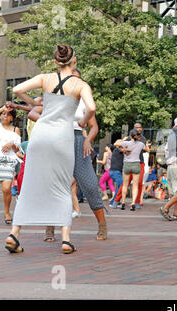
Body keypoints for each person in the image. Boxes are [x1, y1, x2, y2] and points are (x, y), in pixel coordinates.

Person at [5, 44, 96, 254]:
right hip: (62, 137)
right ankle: (65, 240)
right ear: (75, 62)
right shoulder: (80, 84)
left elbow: (17, 90)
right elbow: (91, 108)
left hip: (40, 135)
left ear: (56, 61)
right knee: (64, 186)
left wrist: (36, 105)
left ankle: (14, 234)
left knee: (29, 184)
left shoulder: (45, 78)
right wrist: (82, 122)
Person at [24, 68, 108, 241]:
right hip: (57, 140)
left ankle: (102, 224)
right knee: (54, 184)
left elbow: (94, 126)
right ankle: (50, 228)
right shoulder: (55, 98)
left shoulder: (83, 100)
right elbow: (33, 113)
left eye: (77, 79)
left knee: (90, 184)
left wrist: (87, 140)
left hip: (77, 140)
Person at [120, 130, 150, 211]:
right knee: (135, 185)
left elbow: (116, 143)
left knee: (125, 185)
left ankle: (123, 202)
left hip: (127, 164)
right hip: (136, 164)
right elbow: (148, 150)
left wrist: (124, 144)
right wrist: (146, 144)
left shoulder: (125, 143)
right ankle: (133, 203)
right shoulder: (141, 144)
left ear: (130, 136)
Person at [108, 139, 124, 207]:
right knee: (121, 186)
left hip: (114, 171)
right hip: (115, 172)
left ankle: (116, 201)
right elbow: (116, 143)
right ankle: (113, 202)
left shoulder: (116, 150)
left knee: (120, 186)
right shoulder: (117, 149)